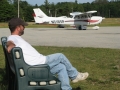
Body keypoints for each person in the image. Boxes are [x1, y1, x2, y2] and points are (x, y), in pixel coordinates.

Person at [7, 17, 89, 90]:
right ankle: (75, 75)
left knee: (61, 67)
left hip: (35, 66)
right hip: (35, 68)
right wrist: (11, 47)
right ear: (18, 28)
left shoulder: (16, 38)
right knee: (60, 56)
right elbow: (10, 44)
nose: (24, 27)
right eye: (23, 26)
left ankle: (66, 88)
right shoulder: (13, 38)